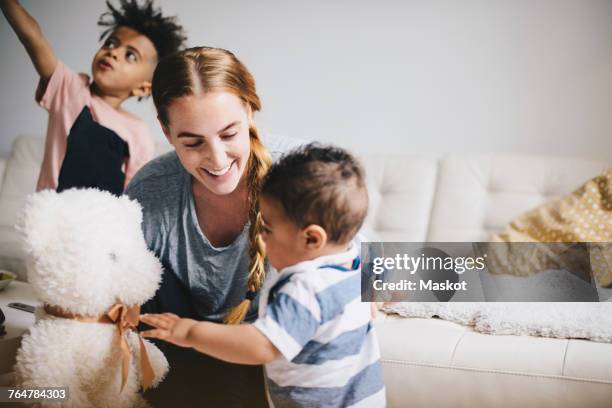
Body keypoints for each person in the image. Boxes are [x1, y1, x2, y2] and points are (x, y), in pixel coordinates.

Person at [141, 144, 387, 407]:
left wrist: (189, 332)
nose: (261, 236)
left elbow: (260, 346)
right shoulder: (352, 257)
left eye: (268, 229)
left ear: (312, 238)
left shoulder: (306, 288)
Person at [125, 46, 303, 406]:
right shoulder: (150, 190)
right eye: (192, 142)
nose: (218, 160)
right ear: (166, 130)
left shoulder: (301, 172)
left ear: (249, 111)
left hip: (259, 347)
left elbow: (372, 268)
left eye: (229, 134)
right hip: (179, 346)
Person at [0, 0, 186, 195]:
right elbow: (33, 39)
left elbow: (133, 194)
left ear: (143, 88)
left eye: (130, 55)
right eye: (111, 43)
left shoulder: (138, 132)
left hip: (100, 221)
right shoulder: (71, 89)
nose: (113, 52)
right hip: (51, 216)